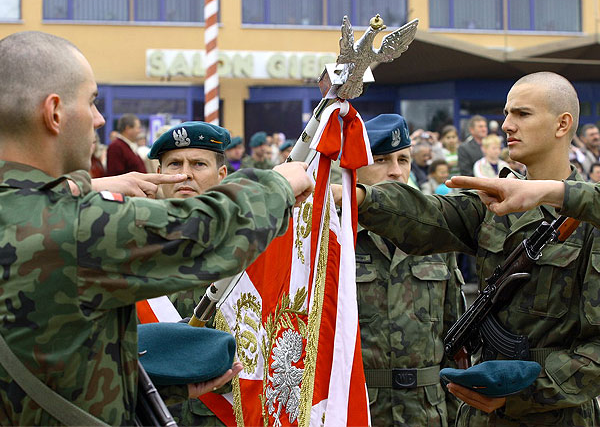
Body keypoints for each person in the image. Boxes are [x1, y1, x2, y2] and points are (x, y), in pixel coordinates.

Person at [0, 31, 313, 426]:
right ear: (55, 112)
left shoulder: (34, 211)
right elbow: (203, 231)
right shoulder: (78, 225)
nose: (99, 119)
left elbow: (55, 357)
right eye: (93, 101)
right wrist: (278, 184)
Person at [350, 72, 600, 426]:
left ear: (562, 124)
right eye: (506, 113)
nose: (507, 125)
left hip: (557, 415)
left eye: (522, 114)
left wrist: (519, 392)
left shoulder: (589, 216)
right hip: (482, 414)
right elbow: (427, 214)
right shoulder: (492, 203)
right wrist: (357, 196)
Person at [355, 114, 463, 427]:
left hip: (428, 411)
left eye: (404, 159)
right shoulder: (337, 238)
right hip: (362, 407)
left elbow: (455, 338)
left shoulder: (436, 235)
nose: (396, 171)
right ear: (355, 167)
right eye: (381, 159)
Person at [148, 121, 234, 426]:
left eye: (198, 163)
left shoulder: (247, 246)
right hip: (149, 412)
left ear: (221, 175)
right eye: (174, 164)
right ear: (158, 174)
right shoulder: (130, 244)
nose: (185, 173)